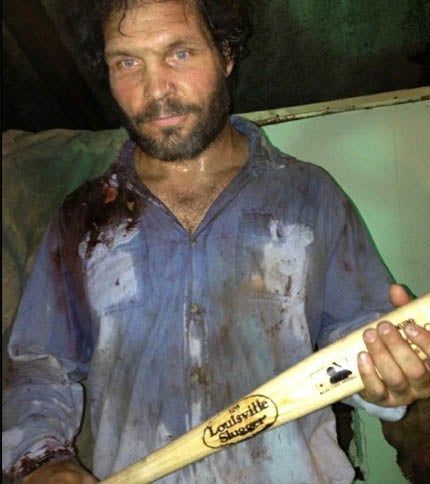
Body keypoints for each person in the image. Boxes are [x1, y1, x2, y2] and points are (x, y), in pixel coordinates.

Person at [2, 1, 430, 483]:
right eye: (128, 62)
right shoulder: (82, 217)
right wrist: (42, 460)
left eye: (179, 54)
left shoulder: (310, 194)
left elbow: (360, 333)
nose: (155, 90)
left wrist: (387, 373)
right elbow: (41, 365)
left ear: (226, 54)